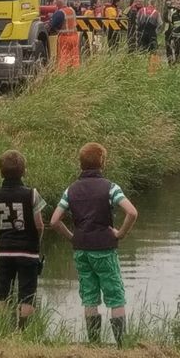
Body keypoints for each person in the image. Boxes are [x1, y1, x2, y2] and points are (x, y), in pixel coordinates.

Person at [49, 142, 139, 346]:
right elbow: (132, 212)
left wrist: (72, 237)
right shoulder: (111, 188)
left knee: (89, 296)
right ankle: (122, 344)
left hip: (81, 249)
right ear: (102, 162)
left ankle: (94, 343)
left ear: (81, 164)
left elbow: (54, 221)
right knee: (115, 295)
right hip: (104, 248)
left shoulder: (70, 190)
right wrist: (120, 234)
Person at [0, 149, 47, 330]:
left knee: (2, 293)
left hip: (4, 250)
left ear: (0, 172)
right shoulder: (32, 194)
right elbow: (39, 225)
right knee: (27, 294)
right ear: (24, 171)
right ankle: (22, 331)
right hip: (28, 251)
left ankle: (0, 329)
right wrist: (37, 243)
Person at [46, 0, 80, 72]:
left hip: (65, 38)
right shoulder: (72, 10)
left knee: (63, 58)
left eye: (56, 2)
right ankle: (76, 73)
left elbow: (50, 26)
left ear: (59, 3)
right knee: (74, 56)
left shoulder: (60, 13)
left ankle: (62, 75)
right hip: (74, 37)